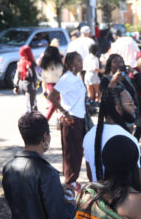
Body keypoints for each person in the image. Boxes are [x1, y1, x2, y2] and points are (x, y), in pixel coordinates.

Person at [83, 84, 141, 184]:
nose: (134, 107)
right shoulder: (128, 139)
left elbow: (91, 176)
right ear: (118, 108)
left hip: (99, 196)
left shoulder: (89, 135)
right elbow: (139, 184)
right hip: (122, 199)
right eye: (130, 104)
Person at [48, 52, 87, 184]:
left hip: (81, 118)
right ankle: (70, 182)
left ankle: (72, 180)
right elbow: (51, 96)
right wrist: (64, 112)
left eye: (81, 61)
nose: (81, 64)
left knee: (78, 151)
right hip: (72, 119)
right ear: (70, 64)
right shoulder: (67, 78)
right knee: (71, 152)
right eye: (78, 61)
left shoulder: (77, 77)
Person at [39, 45, 64, 121]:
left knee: (54, 104)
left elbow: (43, 78)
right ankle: (46, 120)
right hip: (58, 86)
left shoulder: (44, 66)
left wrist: (44, 89)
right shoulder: (58, 65)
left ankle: (56, 120)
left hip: (49, 86)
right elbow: (61, 75)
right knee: (55, 104)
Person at [14, 45, 39, 112]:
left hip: (22, 84)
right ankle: (31, 119)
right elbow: (39, 73)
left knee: (32, 102)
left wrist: (16, 86)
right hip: (30, 85)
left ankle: (36, 116)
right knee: (31, 105)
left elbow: (17, 75)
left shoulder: (20, 62)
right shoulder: (31, 63)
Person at [84, 42, 102, 109]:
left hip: (87, 75)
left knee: (90, 93)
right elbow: (95, 68)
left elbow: (84, 68)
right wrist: (102, 71)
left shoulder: (86, 57)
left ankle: (89, 106)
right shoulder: (95, 58)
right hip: (93, 76)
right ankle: (97, 102)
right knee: (99, 91)